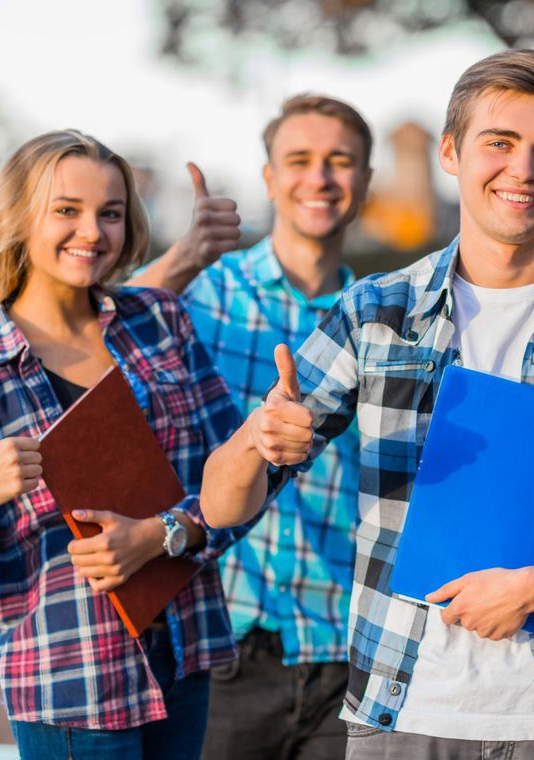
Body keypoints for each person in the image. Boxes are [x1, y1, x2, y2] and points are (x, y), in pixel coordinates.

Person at [201, 49, 534, 759]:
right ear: (450, 151)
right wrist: (259, 437)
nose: (523, 170)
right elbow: (224, 506)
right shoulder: (376, 311)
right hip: (400, 710)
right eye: (499, 143)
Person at [0, 130, 249, 760]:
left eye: (110, 213)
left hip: (184, 654)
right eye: (67, 210)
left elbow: (243, 475)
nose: (92, 231)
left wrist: (165, 532)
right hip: (72, 688)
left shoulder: (160, 322)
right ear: (21, 218)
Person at [131, 94, 370, 759]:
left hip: (342, 648)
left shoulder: (382, 316)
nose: (319, 178)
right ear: (268, 178)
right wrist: (183, 257)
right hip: (221, 643)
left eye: (340, 161)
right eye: (299, 160)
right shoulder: (208, 293)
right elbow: (96, 349)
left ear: (366, 180)